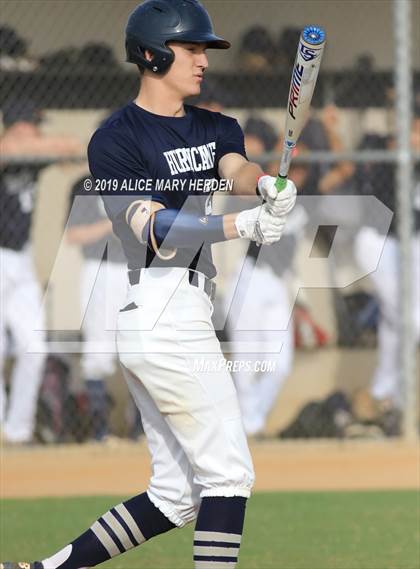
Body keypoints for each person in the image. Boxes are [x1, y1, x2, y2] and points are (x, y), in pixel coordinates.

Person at [1, 1, 297, 568]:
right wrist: (242, 223)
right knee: (229, 474)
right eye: (191, 50)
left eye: (204, 51)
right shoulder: (115, 138)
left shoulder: (216, 125)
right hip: (161, 310)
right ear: (152, 54)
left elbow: (232, 166)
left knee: (176, 494)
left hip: (180, 312)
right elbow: (152, 226)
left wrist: (264, 186)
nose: (202, 61)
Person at [0, 99, 82, 446]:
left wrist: (35, 146)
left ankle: (16, 432)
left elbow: (73, 148)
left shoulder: (32, 154)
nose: (40, 131)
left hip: (22, 259)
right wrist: (22, 144)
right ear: (19, 125)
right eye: (35, 124)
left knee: (34, 347)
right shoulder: (8, 150)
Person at [353, 116, 420, 435]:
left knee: (396, 325)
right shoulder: (387, 156)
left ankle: (387, 399)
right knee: (409, 320)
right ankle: (385, 394)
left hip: (409, 244)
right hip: (378, 241)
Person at [66, 177, 129, 441]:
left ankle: (142, 431)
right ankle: (100, 432)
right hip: (99, 270)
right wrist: (110, 225)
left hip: (135, 268)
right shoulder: (85, 185)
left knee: (142, 349)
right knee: (98, 352)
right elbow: (73, 234)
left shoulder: (140, 179)